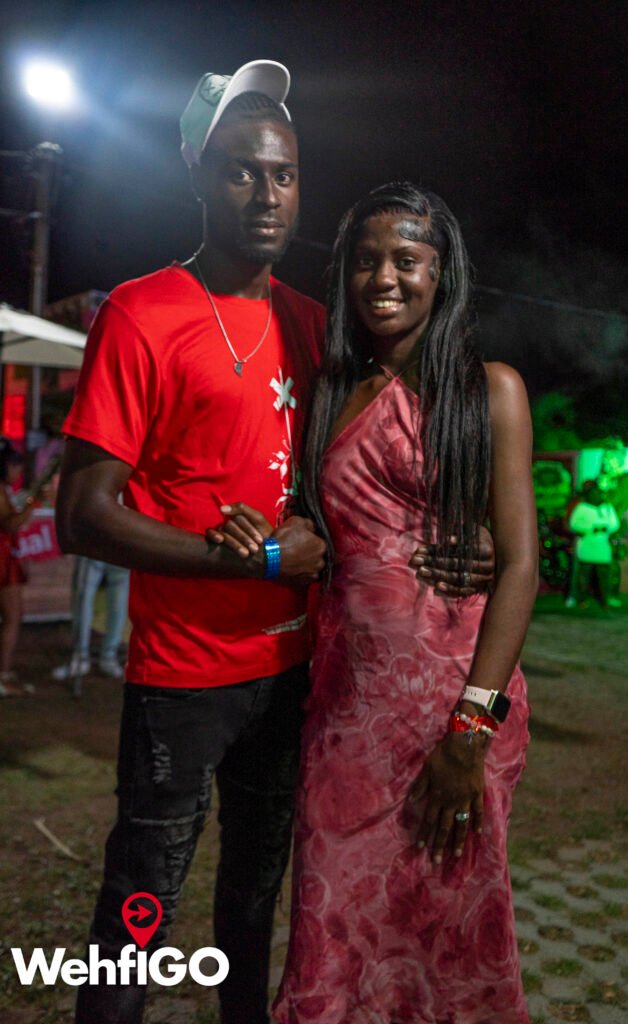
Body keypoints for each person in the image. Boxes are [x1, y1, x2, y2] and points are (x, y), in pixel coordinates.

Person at [56, 65, 491, 1024]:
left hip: (297, 671)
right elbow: (81, 513)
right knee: (139, 909)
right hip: (183, 676)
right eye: (242, 171)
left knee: (254, 908)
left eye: (284, 175)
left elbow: (385, 461)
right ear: (197, 173)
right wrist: (243, 560)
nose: (266, 194)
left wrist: (472, 544)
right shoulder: (141, 311)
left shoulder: (315, 327)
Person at [213, 183, 538, 1023]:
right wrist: (267, 542)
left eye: (405, 259)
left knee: (445, 928)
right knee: (333, 924)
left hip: (453, 710)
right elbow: (318, 532)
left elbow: (519, 567)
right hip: (345, 712)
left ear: (441, 271)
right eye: (364, 260)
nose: (382, 278)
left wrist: (470, 730)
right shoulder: (331, 392)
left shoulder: (489, 391)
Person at [52, 556, 130, 683]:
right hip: (92, 551)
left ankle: (108, 655)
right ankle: (81, 657)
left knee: (118, 602)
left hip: (120, 551)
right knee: (82, 598)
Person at [0, 440, 36, 697]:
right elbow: (10, 524)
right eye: (15, 466)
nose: (18, 471)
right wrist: (35, 503)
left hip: (7, 558)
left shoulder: (5, 490)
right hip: (2, 561)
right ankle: (2, 677)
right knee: (12, 617)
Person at [568, 481, 620, 608]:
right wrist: (591, 527)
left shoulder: (607, 508)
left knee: (604, 575)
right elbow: (574, 524)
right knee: (583, 574)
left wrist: (605, 527)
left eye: (597, 493)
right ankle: (581, 599)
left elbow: (615, 524)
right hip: (587, 544)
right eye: (592, 493)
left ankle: (606, 598)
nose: (595, 495)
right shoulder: (582, 507)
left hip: (602, 545)